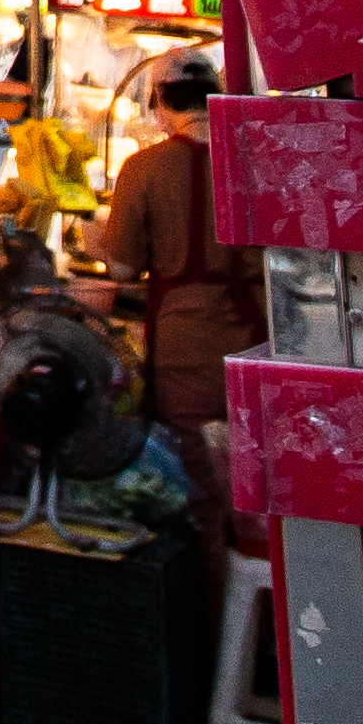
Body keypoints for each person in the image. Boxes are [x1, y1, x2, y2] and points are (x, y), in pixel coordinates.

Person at [86, 52, 262, 516]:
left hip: (185, 348)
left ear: (160, 101)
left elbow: (122, 269)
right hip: (259, 340)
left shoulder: (145, 167)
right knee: (257, 479)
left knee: (201, 486)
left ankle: (218, 561)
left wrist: (97, 244)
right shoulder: (257, 159)